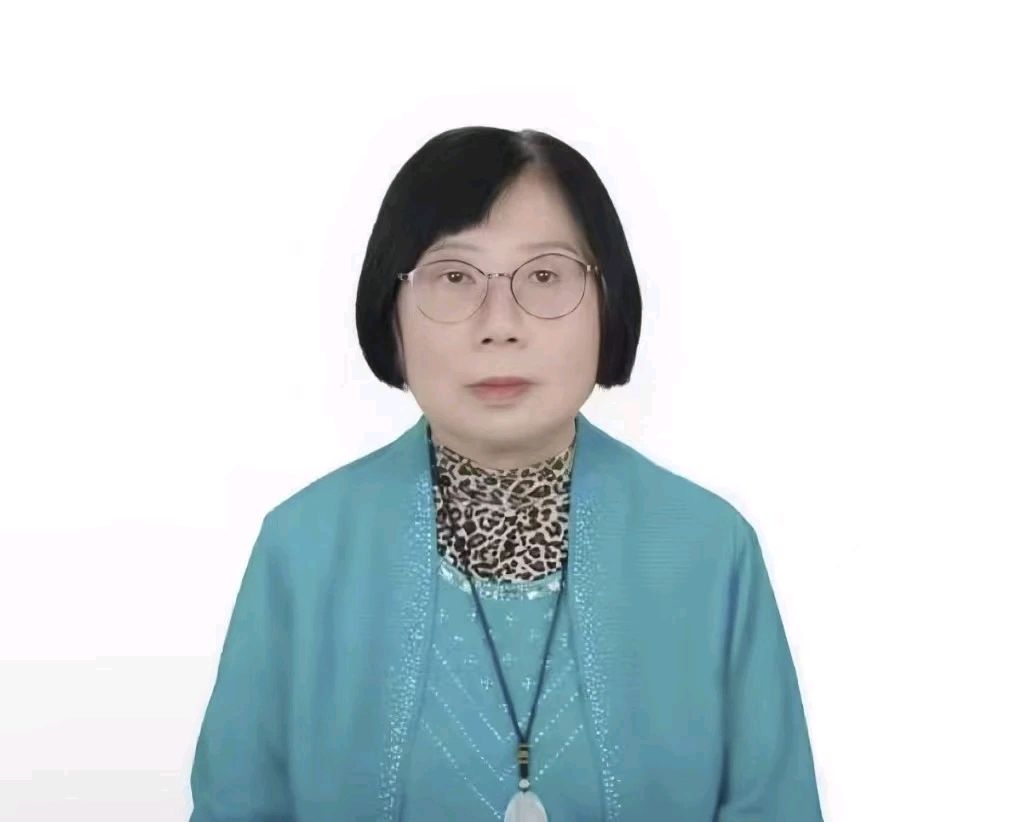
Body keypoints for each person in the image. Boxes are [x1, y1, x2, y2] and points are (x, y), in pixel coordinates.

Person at [189, 126, 824, 821]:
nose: (500, 325)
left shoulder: (708, 549)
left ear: (607, 300)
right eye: (454, 277)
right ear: (391, 311)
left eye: (545, 276)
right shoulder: (303, 550)